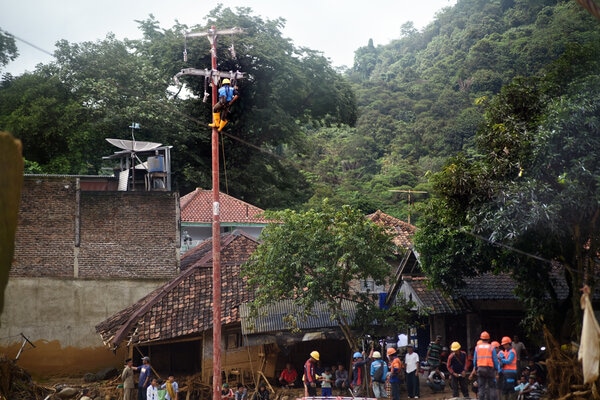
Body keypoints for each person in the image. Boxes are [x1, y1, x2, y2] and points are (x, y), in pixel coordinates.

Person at [469, 331, 500, 400]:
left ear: (481, 339)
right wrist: (496, 369)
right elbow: (495, 360)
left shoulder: (477, 347)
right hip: (490, 369)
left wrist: (476, 368)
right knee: (492, 387)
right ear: (488, 339)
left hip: (480, 369)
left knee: (481, 387)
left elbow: (475, 360)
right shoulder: (491, 347)